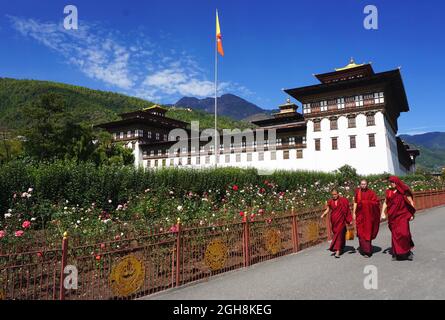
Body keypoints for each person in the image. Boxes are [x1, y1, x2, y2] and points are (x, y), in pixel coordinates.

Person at [381, 176, 416, 261]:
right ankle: (396, 253)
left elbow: (410, 201)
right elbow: (386, 202)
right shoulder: (389, 192)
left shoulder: (403, 191)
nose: (391, 184)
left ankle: (407, 252)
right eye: (390, 182)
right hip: (393, 217)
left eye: (393, 182)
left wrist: (411, 214)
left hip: (403, 216)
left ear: (397, 182)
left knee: (405, 234)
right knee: (395, 235)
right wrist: (382, 212)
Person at [321, 189, 352, 258]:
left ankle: (337, 251)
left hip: (341, 220)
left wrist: (349, 219)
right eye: (332, 194)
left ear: (338, 194)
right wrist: (323, 214)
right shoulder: (330, 201)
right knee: (338, 234)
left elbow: (347, 210)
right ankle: (341, 247)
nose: (334, 196)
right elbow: (328, 210)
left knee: (338, 234)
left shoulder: (343, 200)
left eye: (335, 194)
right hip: (334, 220)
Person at [353, 180, 381, 257]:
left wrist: (366, 203)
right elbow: (355, 202)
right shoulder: (358, 193)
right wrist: (354, 213)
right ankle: (363, 249)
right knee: (361, 232)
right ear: (360, 185)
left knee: (367, 232)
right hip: (360, 216)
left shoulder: (371, 193)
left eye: (364, 184)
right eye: (362, 184)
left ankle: (367, 252)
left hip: (368, 216)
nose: (363, 185)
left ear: (367, 185)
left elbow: (376, 203)